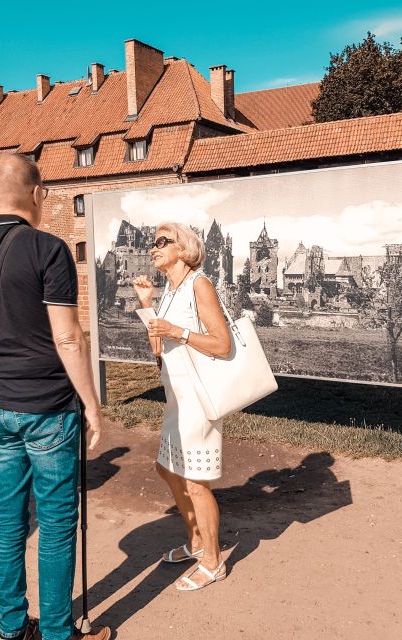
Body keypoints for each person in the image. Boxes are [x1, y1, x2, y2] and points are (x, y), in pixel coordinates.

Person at [0, 155, 110, 640]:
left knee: (8, 523)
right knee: (57, 525)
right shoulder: (49, 249)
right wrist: (94, 405)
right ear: (37, 193)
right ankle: (59, 631)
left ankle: (13, 627)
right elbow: (68, 338)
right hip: (49, 406)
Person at [132, 222, 232, 591]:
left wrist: (178, 332)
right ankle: (196, 542)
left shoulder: (198, 284)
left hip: (198, 396)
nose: (153, 247)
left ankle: (213, 560)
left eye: (162, 241)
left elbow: (222, 345)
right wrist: (147, 306)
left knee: (194, 480)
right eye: (152, 242)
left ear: (184, 248)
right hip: (177, 395)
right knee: (167, 469)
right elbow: (159, 350)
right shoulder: (172, 291)